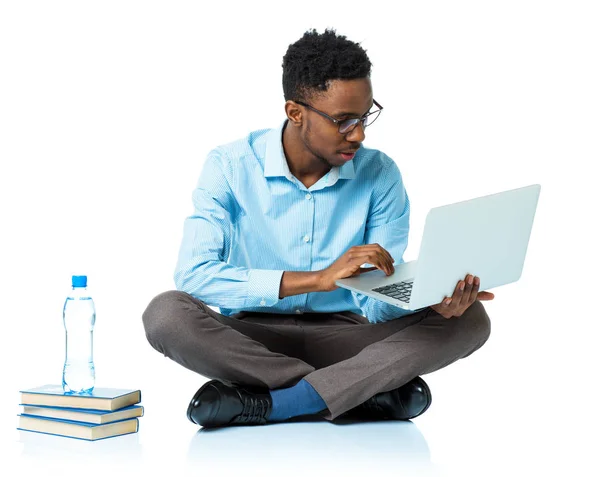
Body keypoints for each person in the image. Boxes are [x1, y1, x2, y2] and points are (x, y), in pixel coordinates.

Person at [142, 28, 494, 428]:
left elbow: (377, 308)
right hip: (248, 339)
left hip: (348, 339)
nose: (358, 135)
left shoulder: (380, 175)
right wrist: (318, 279)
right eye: (343, 121)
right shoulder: (230, 166)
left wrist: (430, 301)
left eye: (365, 117)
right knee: (165, 314)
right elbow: (194, 275)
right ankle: (358, 391)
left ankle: (280, 403)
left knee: (471, 320)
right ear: (296, 113)